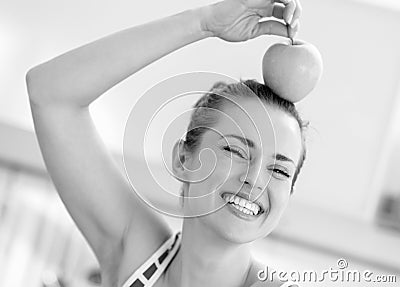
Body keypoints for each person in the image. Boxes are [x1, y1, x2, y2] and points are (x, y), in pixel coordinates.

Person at [26, 0, 306, 286]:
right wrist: (204, 22)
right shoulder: (136, 257)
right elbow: (49, 93)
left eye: (280, 171)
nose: (255, 178)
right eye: (236, 150)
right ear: (183, 159)